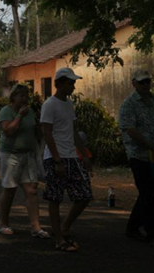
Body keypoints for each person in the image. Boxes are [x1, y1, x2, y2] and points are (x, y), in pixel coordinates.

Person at [40, 67, 93, 252]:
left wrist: (84, 155)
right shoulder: (49, 104)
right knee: (55, 198)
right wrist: (57, 160)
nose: (73, 86)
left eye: (74, 82)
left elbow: (73, 130)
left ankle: (65, 227)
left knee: (84, 194)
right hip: (56, 157)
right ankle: (59, 239)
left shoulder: (68, 104)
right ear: (60, 83)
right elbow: (47, 133)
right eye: (70, 82)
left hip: (71, 156)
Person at [118, 69, 154, 249]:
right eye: (142, 82)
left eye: (147, 81)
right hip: (138, 154)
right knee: (147, 194)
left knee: (148, 192)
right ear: (134, 83)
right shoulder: (129, 104)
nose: (145, 85)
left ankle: (132, 227)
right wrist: (150, 145)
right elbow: (130, 130)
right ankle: (153, 233)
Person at [0, 83, 49, 238]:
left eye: (27, 96)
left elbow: (35, 132)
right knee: (10, 189)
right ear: (13, 97)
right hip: (10, 156)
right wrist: (19, 115)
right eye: (21, 96)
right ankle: (3, 223)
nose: (25, 99)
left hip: (28, 155)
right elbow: (9, 131)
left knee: (32, 190)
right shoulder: (6, 112)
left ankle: (36, 227)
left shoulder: (31, 111)